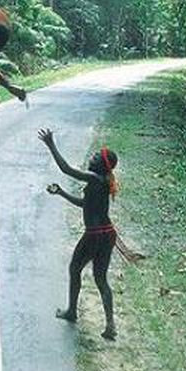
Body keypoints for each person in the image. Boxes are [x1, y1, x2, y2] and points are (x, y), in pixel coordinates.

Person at [38, 127, 120, 340]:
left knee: (75, 269)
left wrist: (51, 145)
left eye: (95, 156)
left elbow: (67, 170)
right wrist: (62, 193)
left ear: (101, 165)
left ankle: (72, 311)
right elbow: (85, 204)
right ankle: (110, 324)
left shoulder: (94, 177)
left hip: (94, 235)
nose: (91, 157)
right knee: (101, 278)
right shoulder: (101, 181)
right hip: (107, 233)